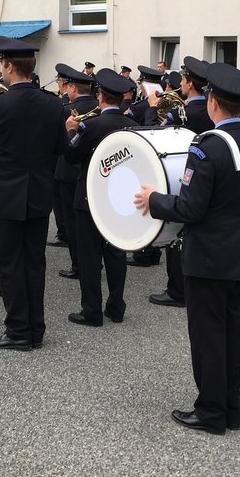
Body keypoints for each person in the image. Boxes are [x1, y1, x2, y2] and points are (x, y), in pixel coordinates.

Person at [135, 63, 240, 434]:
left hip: (209, 256)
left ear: (212, 101)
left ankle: (210, 412)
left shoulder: (208, 146)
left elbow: (191, 208)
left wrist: (154, 199)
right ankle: (231, 407)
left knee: (208, 336)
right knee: (232, 332)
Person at [0, 37, 68, 351]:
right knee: (35, 262)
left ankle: (19, 330)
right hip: (37, 195)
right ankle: (35, 328)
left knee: (8, 264)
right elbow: (62, 148)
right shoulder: (52, 104)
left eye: (0, 65)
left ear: (8, 66)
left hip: (2, 198)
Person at [64, 68, 137, 326]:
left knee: (89, 256)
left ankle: (91, 311)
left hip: (90, 199)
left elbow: (72, 156)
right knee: (116, 253)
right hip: (120, 199)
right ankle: (116, 306)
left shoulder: (93, 125)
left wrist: (70, 131)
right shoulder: (134, 125)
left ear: (101, 96)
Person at [150, 56, 213, 308]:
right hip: (207, 171)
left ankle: (177, 290)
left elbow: (156, 133)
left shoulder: (180, 111)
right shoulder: (209, 109)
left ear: (188, 83)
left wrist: (153, 108)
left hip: (179, 171)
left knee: (178, 233)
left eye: (184, 80)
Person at [53, 64, 99, 280]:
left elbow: (57, 143)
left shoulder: (64, 110)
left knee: (73, 224)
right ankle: (94, 262)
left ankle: (79, 266)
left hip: (68, 172)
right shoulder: (99, 107)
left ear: (72, 88)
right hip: (94, 172)